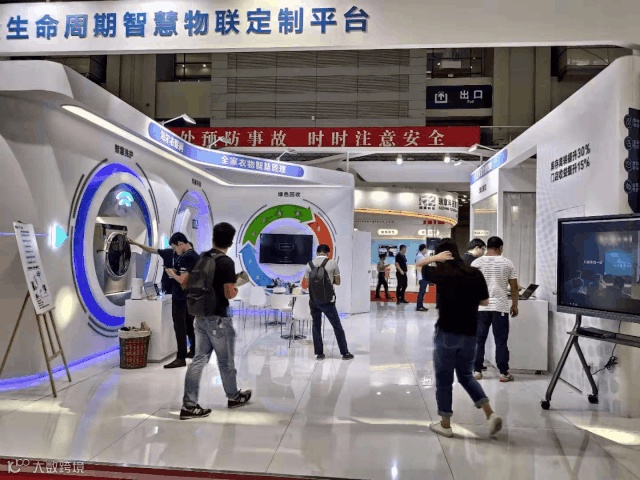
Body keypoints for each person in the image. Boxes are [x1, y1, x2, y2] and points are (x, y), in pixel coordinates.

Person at [417, 238, 503, 438]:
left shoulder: (442, 273)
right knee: (465, 376)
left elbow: (420, 265)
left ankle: (445, 424)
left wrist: (434, 258)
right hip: (470, 333)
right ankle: (490, 414)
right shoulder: (474, 273)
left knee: (444, 379)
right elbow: (485, 301)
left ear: (442, 255)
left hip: (447, 332)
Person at [180, 222, 252, 419]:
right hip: (218, 319)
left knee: (198, 360)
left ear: (213, 238)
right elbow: (229, 293)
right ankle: (234, 397)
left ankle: (189, 405)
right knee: (225, 361)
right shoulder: (226, 262)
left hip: (200, 316)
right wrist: (237, 286)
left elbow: (185, 282)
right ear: (230, 242)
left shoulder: (202, 257)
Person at [471, 236, 519, 382]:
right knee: (501, 341)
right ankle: (504, 373)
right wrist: (515, 305)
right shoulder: (507, 263)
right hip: (500, 308)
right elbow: (514, 287)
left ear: (488, 247)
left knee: (479, 340)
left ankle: (476, 371)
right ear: (500, 248)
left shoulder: (477, 263)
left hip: (481, 307)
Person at [302, 244, 354, 361]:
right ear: (328, 253)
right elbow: (338, 282)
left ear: (317, 252)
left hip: (314, 300)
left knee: (316, 326)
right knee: (337, 326)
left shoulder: (309, 265)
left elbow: (307, 284)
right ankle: (345, 353)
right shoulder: (332, 263)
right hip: (328, 301)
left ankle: (319, 354)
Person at [415, 244, 429, 312]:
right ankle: (419, 306)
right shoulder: (420, 256)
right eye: (426, 248)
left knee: (422, 291)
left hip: (423, 275)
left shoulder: (421, 256)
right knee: (422, 291)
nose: (426, 250)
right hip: (422, 276)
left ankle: (421, 305)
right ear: (423, 249)